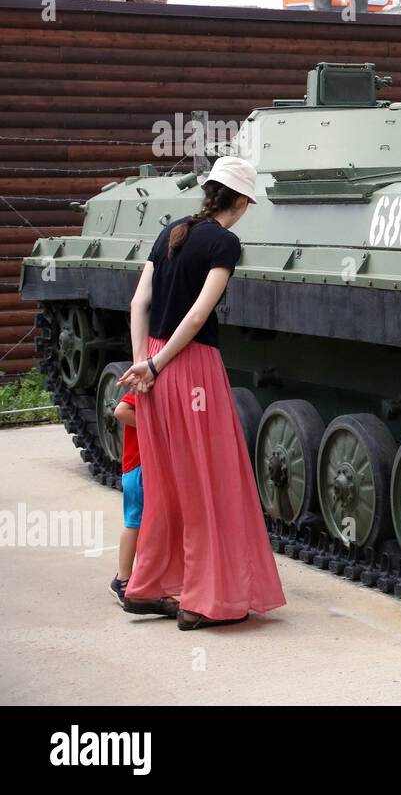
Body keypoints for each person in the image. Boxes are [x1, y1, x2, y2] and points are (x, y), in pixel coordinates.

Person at [118, 156, 285, 631]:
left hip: (152, 366)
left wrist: (142, 364)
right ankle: (203, 600)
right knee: (208, 482)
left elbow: (138, 303)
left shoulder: (171, 230)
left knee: (167, 481)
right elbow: (195, 318)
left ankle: (148, 587)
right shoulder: (225, 243)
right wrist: (157, 364)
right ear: (243, 202)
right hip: (188, 368)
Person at [108, 391, 141, 606]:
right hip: (138, 466)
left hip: (145, 465)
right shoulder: (145, 385)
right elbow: (120, 411)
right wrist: (154, 425)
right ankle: (122, 579)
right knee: (134, 522)